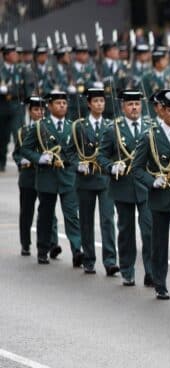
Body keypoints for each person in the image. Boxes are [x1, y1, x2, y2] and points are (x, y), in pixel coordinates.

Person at [132, 90, 170, 301]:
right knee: (159, 244)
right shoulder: (149, 136)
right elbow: (137, 168)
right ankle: (160, 284)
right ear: (162, 111)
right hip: (160, 197)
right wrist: (152, 181)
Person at [97, 89, 153, 287]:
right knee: (126, 231)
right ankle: (127, 270)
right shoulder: (114, 129)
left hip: (146, 187)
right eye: (130, 104)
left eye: (137, 103)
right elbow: (101, 156)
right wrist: (112, 166)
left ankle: (151, 272)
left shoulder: (150, 126)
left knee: (149, 230)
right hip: (123, 186)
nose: (135, 107)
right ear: (123, 107)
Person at [21, 91, 83, 266]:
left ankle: (77, 250)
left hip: (67, 176)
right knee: (46, 216)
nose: (62, 106)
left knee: (71, 215)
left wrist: (77, 163)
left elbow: (78, 150)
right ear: (49, 106)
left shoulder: (73, 126)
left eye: (64, 103)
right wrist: (39, 158)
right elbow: (25, 149)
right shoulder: (40, 126)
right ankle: (43, 250)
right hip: (47, 176)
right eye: (58, 103)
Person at [70, 88, 118, 275]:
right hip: (86, 179)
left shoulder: (111, 125)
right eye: (96, 101)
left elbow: (115, 151)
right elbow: (70, 151)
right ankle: (89, 259)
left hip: (105, 179)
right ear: (89, 104)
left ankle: (110, 261)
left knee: (107, 220)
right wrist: (78, 164)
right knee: (87, 221)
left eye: (102, 101)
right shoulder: (80, 126)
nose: (99, 104)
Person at [14, 96, 59, 256]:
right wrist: (22, 160)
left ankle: (52, 244)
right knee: (27, 211)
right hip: (29, 175)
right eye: (36, 110)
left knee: (49, 211)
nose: (39, 113)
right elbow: (17, 153)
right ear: (30, 111)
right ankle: (25, 243)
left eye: (41, 109)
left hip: (46, 175)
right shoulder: (23, 131)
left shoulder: (48, 128)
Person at [0, 44, 33, 172]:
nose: (15, 56)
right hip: (2, 108)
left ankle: (21, 162)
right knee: (2, 138)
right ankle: (1, 161)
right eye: (12, 53)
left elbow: (26, 89)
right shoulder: (1, 69)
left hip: (17, 108)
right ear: (6, 55)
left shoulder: (22, 69)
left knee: (20, 136)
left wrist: (9, 90)